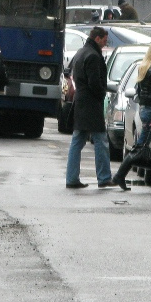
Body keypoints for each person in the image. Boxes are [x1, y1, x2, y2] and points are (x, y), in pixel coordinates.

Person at [111, 41, 151, 190]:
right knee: (140, 147)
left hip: (144, 109)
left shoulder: (144, 68)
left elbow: (139, 91)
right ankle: (119, 175)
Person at [66, 26, 113, 189]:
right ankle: (104, 177)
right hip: (91, 103)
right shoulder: (93, 56)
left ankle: (71, 178)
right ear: (97, 38)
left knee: (78, 140)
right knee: (100, 139)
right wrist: (102, 94)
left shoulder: (81, 52)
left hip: (81, 102)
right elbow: (94, 82)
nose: (105, 43)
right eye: (105, 40)